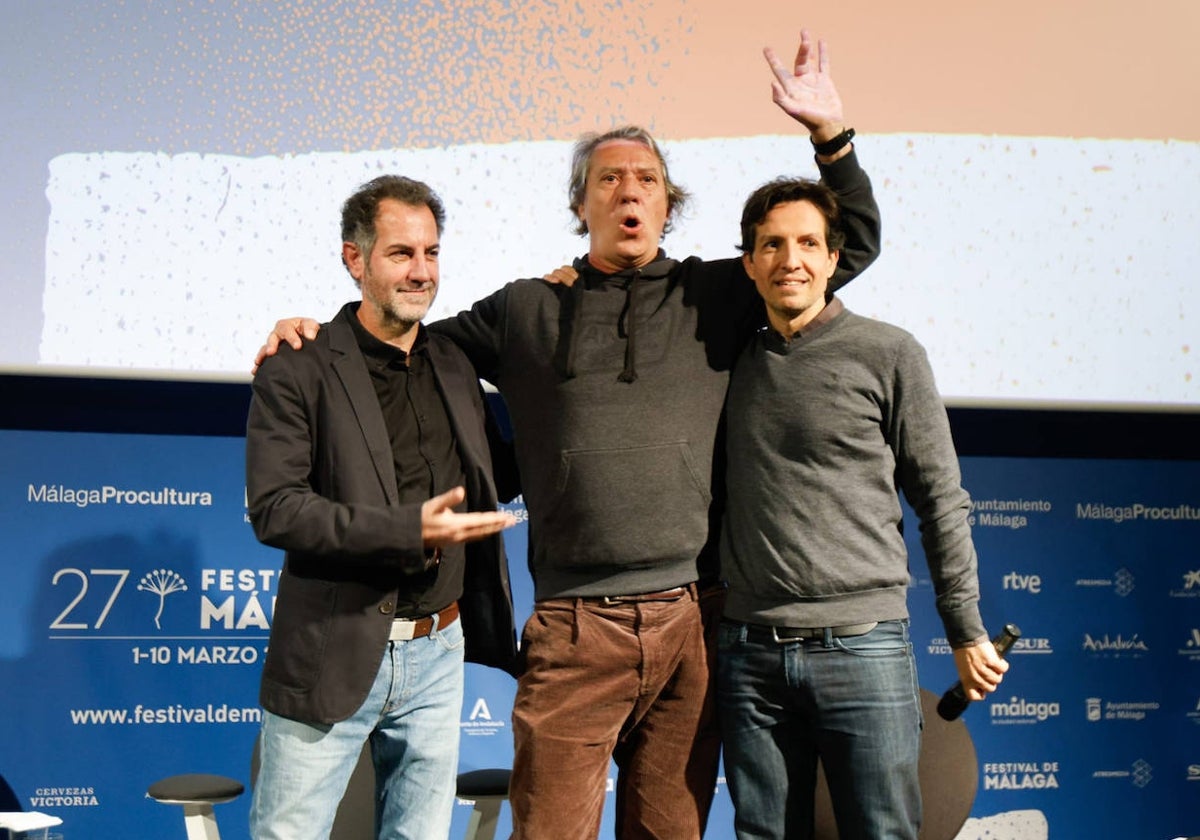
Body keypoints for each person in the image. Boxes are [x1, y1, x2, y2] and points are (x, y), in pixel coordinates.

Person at [257, 30, 882, 840]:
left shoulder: (718, 295)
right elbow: (408, 333)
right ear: (581, 203)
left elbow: (848, 247)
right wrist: (314, 326)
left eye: (648, 180)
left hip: (693, 619)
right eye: (609, 178)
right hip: (574, 627)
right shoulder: (526, 307)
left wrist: (830, 138)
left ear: (668, 203)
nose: (630, 190)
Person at [716, 176, 1008, 840]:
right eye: (773, 244)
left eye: (808, 243)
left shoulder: (888, 353)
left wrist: (965, 630)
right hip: (749, 653)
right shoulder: (723, 360)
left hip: (863, 649)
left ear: (832, 258)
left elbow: (940, 498)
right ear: (749, 263)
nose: (791, 259)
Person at [245, 174, 520, 840]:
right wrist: (408, 530)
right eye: (402, 254)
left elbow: (492, 473)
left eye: (431, 253)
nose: (421, 271)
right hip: (334, 644)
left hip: (438, 648)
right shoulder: (300, 365)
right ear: (355, 260)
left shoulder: (454, 362)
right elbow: (276, 509)